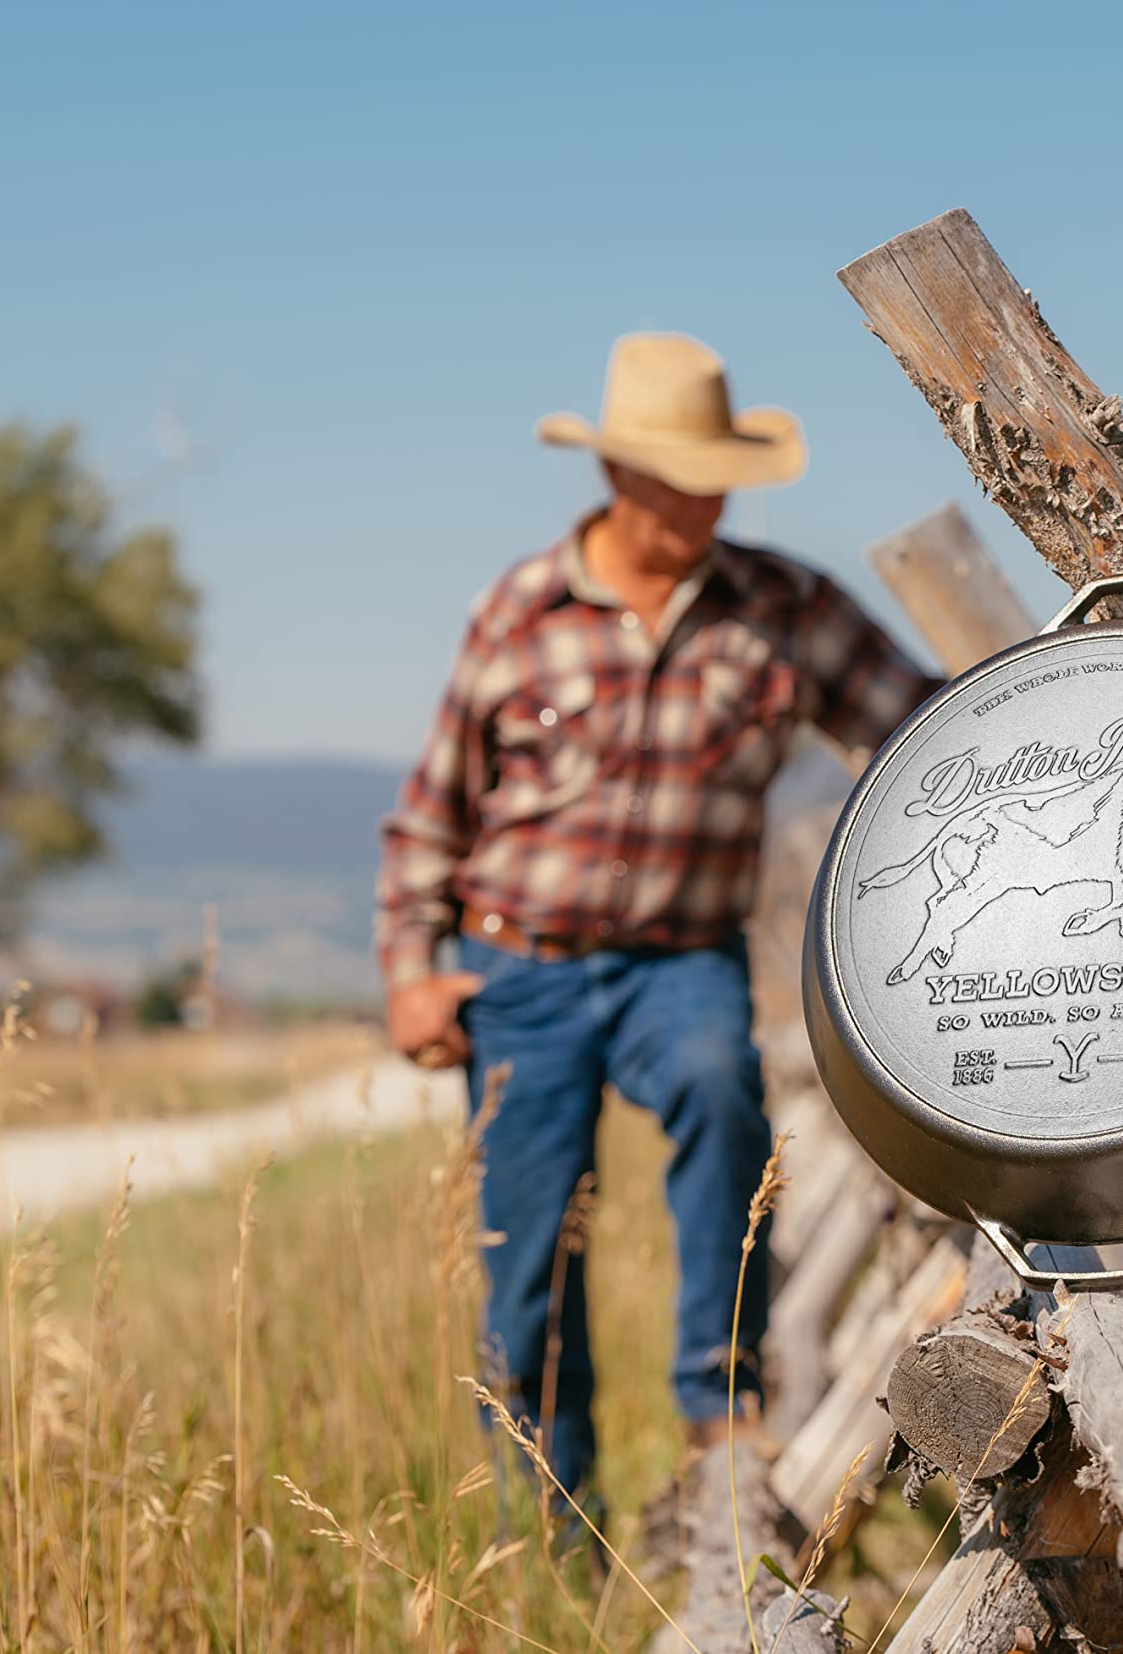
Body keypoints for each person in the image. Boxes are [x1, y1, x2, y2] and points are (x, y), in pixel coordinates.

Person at [377, 331, 937, 1502]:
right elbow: (432, 808)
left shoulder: (784, 608)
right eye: (678, 472)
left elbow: (917, 723)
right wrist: (409, 972)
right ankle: (548, 1532)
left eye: (715, 472)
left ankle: (719, 1406)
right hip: (516, 969)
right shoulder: (520, 610)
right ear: (617, 475)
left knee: (720, 1086)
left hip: (682, 960)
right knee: (529, 1256)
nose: (703, 497)